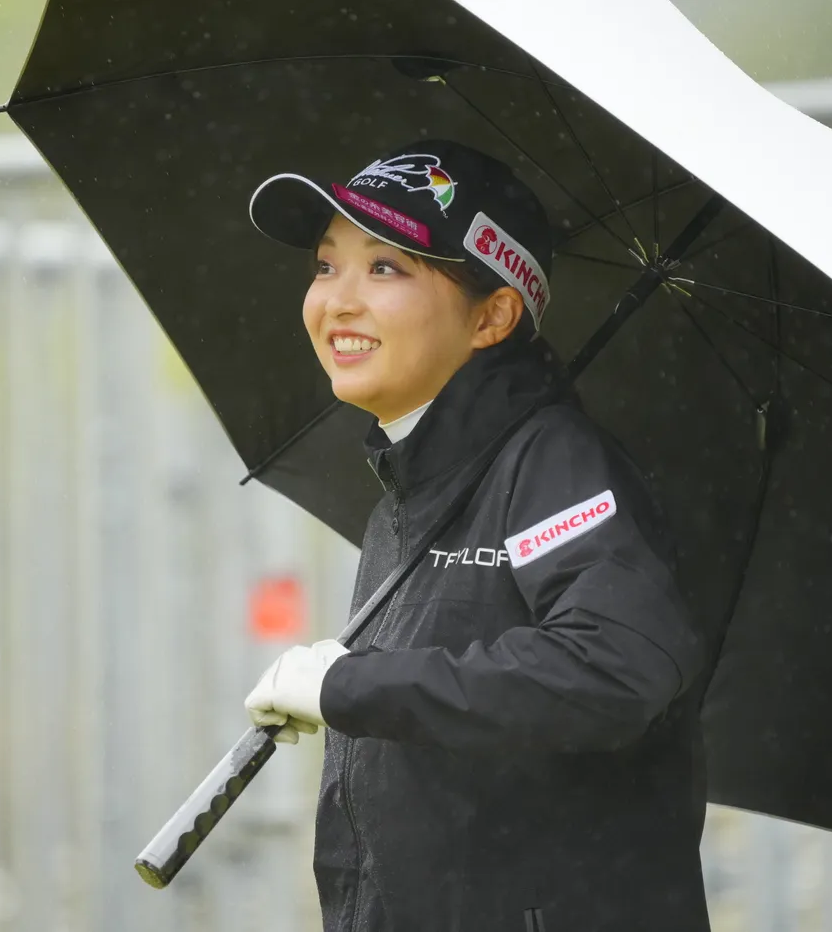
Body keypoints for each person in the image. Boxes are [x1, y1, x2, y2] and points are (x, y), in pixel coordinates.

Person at [242, 140, 712, 932]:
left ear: (492, 315)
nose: (338, 301)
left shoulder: (554, 461)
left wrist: (353, 686)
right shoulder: (409, 487)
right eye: (327, 265)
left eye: (385, 268)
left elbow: (615, 665)